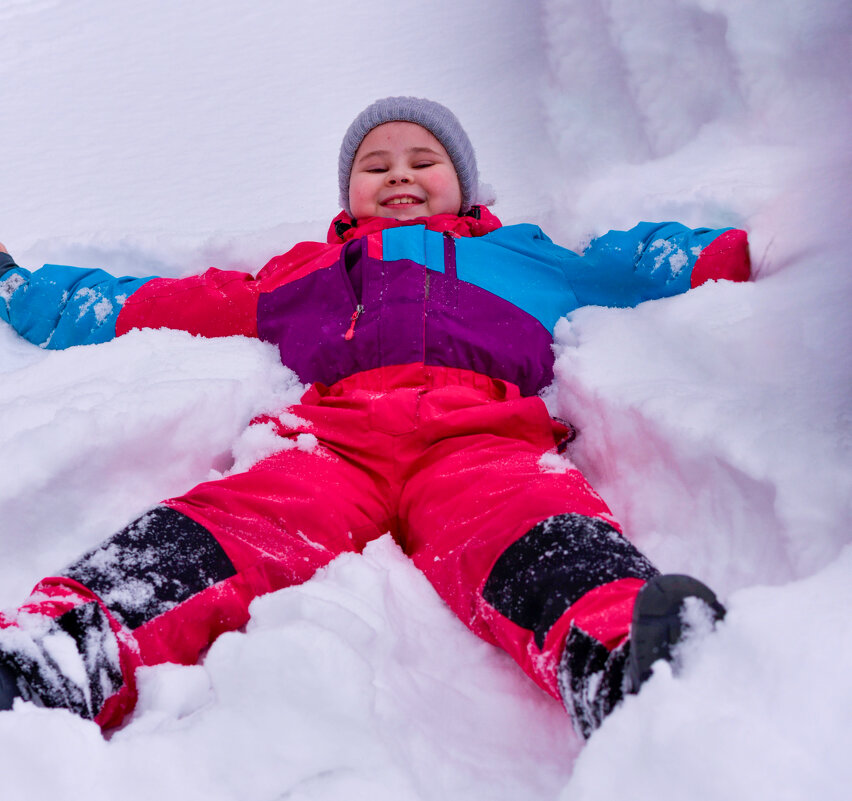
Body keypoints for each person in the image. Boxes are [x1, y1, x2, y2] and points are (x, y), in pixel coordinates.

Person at [0, 97, 748, 739]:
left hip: (479, 440)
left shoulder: (529, 258)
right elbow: (154, 303)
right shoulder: (304, 274)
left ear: (464, 184)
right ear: (347, 194)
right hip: (334, 446)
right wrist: (23, 289)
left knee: (537, 524)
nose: (398, 174)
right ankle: (57, 649)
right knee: (226, 525)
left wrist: (742, 249)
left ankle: (628, 659)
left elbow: (631, 264)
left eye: (423, 159)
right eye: (375, 164)